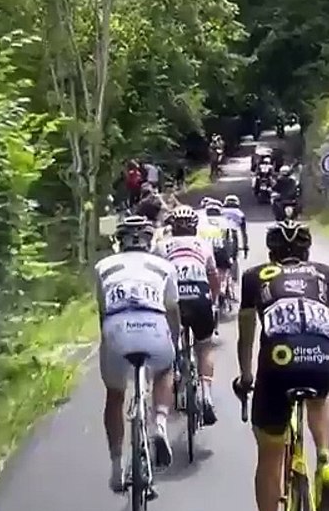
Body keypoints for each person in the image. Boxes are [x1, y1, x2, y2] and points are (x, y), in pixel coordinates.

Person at [231, 220, 329, 511]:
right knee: (321, 394)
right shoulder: (325, 274)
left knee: (270, 454)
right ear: (307, 252)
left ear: (272, 251)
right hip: (323, 356)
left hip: (278, 361)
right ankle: (324, 458)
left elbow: (247, 337)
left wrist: (246, 377)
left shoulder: (253, 277)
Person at [94, 216, 181, 492]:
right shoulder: (164, 266)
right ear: (148, 240)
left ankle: (116, 467)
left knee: (115, 394)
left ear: (120, 241)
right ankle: (160, 424)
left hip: (116, 328)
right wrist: (175, 342)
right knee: (166, 368)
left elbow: (102, 310)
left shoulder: (103, 266)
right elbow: (172, 310)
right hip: (153, 327)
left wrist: (108, 343)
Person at [155, 205, 220, 425]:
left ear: (172, 227)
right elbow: (213, 276)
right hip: (199, 295)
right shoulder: (204, 244)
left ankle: (172, 371)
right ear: (194, 227)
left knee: (169, 341)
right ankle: (206, 393)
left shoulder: (161, 246)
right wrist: (214, 299)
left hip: (174, 300)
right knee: (205, 345)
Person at [223, 195, 249, 262]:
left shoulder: (222, 211)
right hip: (234, 229)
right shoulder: (240, 213)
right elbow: (244, 233)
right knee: (236, 233)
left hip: (223, 230)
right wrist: (245, 247)